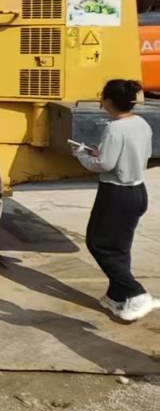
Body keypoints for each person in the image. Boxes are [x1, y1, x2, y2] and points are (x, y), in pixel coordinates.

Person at [71, 79, 158, 323]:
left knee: (98, 244)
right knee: (119, 247)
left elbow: (105, 165)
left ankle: (136, 293)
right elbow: (145, 154)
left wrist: (82, 156)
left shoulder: (114, 129)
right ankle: (117, 296)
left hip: (115, 194)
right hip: (137, 191)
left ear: (108, 100)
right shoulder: (141, 123)